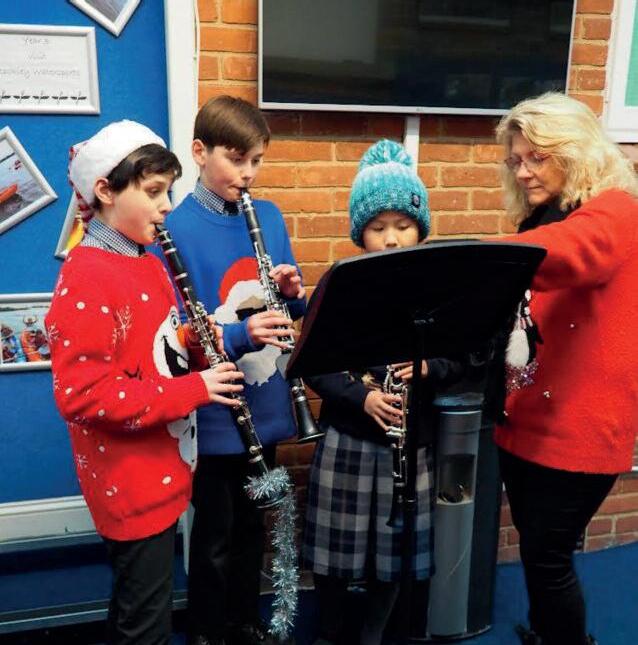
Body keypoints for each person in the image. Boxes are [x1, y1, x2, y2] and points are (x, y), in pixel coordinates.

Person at [46, 120, 243, 645]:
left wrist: (195, 341)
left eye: (169, 191)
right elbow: (83, 394)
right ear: (105, 191)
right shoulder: (86, 275)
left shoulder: (147, 263)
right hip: (130, 482)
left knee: (136, 601)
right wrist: (195, 389)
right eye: (154, 192)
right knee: (147, 623)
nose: (166, 206)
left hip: (164, 467)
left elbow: (156, 348)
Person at [302, 139, 465, 645]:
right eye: (377, 227)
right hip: (349, 437)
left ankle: (373, 634)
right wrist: (362, 397)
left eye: (403, 225)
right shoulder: (339, 283)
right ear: (360, 232)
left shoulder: (439, 288)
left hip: (410, 443)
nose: (392, 239)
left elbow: (463, 357)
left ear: (421, 228)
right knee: (335, 552)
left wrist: (428, 366)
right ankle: (330, 632)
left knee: (394, 555)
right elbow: (312, 364)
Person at [489, 92, 638, 645]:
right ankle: (547, 633)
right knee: (538, 548)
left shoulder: (616, 211)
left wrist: (470, 260)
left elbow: (571, 251)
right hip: (526, 423)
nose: (523, 171)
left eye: (538, 157)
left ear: (575, 153)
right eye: (516, 160)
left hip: (576, 432)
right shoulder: (541, 217)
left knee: (549, 558)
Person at [160, 96, 306, 645]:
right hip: (217, 405)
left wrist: (292, 294)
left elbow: (292, 312)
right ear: (200, 152)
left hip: (265, 399)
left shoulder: (268, 216)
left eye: (256, 161)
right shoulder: (174, 227)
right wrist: (243, 332)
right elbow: (175, 333)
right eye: (236, 158)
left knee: (251, 527)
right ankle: (206, 632)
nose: (247, 173)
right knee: (215, 534)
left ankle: (244, 623)